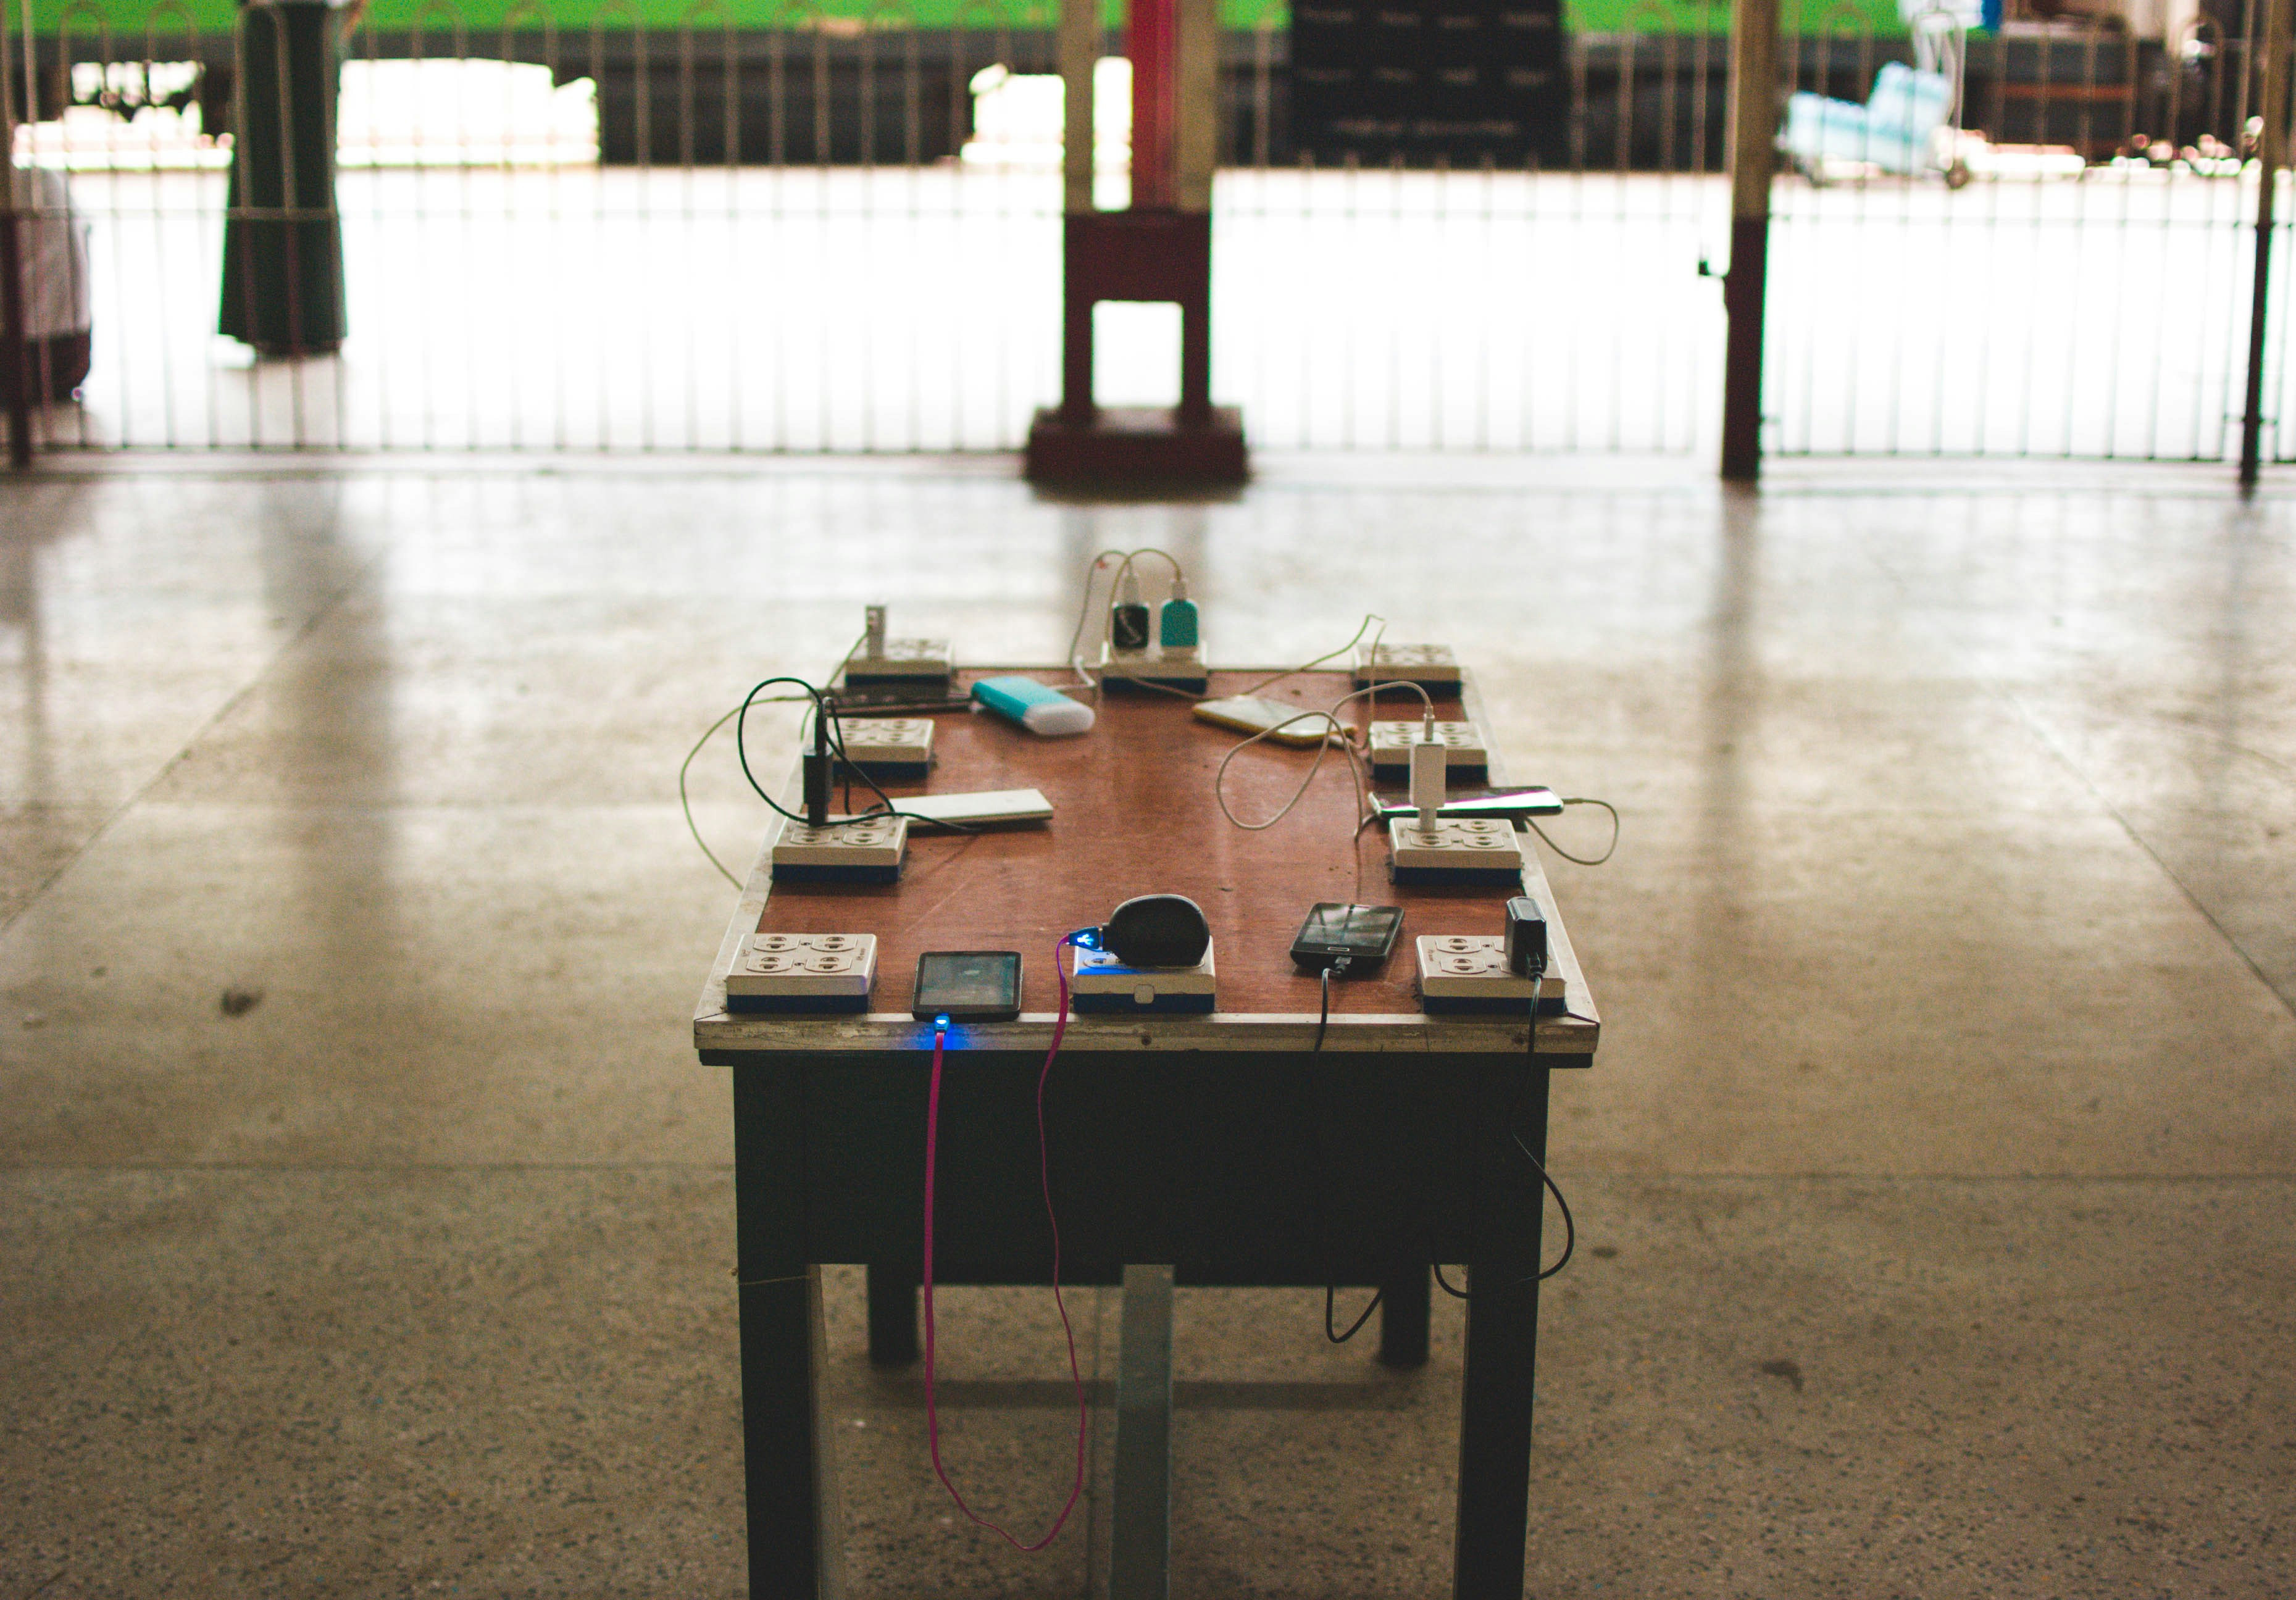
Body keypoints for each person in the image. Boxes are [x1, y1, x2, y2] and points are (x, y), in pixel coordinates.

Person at [218, 0, 364, 356]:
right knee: (276, 171)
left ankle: (300, 321)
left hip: (300, 23)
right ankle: (287, 321)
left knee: (289, 173)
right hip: (283, 24)